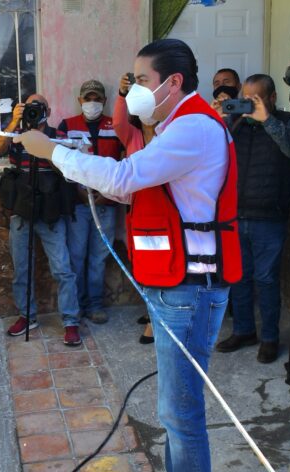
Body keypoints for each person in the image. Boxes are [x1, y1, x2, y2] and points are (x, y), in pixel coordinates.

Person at [15, 39, 242, 472]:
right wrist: (68, 154)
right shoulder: (176, 127)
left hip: (190, 290)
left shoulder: (193, 129)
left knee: (182, 417)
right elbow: (129, 188)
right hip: (174, 286)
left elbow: (122, 175)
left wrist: (51, 151)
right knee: (174, 409)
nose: (134, 89)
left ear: (173, 83)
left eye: (140, 80)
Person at [215, 74, 290, 363]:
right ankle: (243, 330)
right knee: (238, 278)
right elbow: (211, 151)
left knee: (266, 279)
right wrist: (217, 117)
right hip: (235, 215)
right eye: (246, 97)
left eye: (256, 98)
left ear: (271, 98)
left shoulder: (289, 122)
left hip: (270, 216)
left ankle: (269, 338)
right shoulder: (236, 124)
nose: (249, 103)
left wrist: (267, 120)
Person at [0, 94, 83, 346]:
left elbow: (69, 169)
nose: (35, 111)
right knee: (21, 269)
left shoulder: (57, 136)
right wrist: (14, 122)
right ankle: (27, 316)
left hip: (50, 212)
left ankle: (70, 322)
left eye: (39, 107)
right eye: (30, 107)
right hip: (22, 209)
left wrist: (45, 147)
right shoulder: (17, 134)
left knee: (63, 269)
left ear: (48, 110)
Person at [58, 80, 123, 324]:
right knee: (76, 256)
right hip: (79, 205)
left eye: (96, 98)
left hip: (106, 204)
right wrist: (78, 193)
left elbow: (126, 162)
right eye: (87, 98)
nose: (91, 102)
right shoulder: (67, 126)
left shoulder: (116, 126)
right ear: (80, 100)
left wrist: (107, 195)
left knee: (98, 258)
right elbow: (61, 162)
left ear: (104, 101)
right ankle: (78, 306)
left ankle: (95, 305)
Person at [114, 72, 156, 344]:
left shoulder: (170, 133)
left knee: (156, 263)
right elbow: (118, 121)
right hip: (137, 208)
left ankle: (155, 320)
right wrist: (121, 94)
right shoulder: (133, 136)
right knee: (139, 261)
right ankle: (152, 309)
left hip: (161, 212)